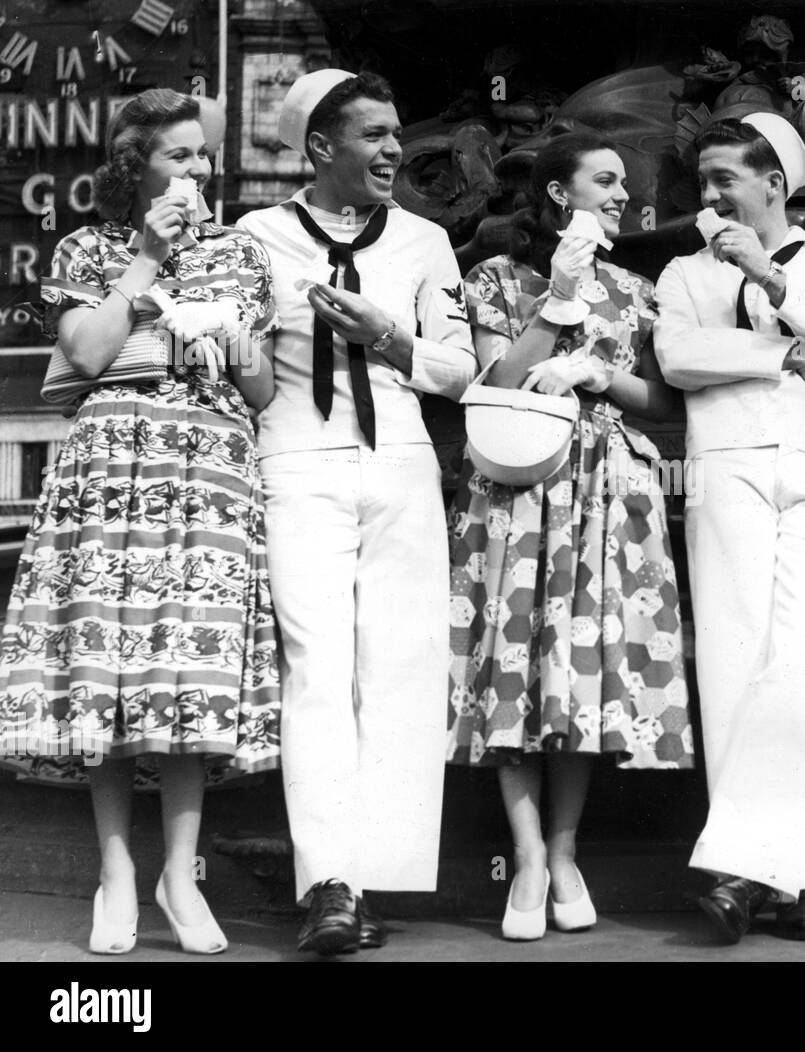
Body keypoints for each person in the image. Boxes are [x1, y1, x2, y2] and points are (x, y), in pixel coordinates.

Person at [0, 88, 280, 954]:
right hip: (113, 464)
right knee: (109, 660)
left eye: (203, 156)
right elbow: (83, 355)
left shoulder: (241, 255)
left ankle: (179, 875)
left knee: (184, 663)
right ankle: (116, 871)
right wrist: (149, 259)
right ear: (137, 168)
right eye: (180, 157)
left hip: (210, 468)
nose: (198, 171)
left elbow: (263, 391)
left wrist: (241, 349)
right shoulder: (91, 247)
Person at [237, 69, 475, 955]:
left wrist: (387, 335)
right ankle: (329, 883)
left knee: (402, 669)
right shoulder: (255, 237)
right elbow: (242, 360)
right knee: (319, 669)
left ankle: (378, 874)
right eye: (373, 134)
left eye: (396, 131)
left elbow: (460, 371)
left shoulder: (422, 241)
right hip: (296, 461)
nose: (393, 150)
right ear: (320, 147)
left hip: (402, 463)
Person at [447, 133, 693, 941]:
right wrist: (554, 309)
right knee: (514, 664)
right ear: (558, 194)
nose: (624, 194)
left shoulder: (634, 287)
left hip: (607, 482)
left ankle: (563, 852)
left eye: (626, 180)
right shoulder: (496, 278)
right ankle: (523, 857)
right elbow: (493, 385)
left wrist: (598, 375)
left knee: (581, 667)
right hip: (519, 479)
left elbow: (658, 398)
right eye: (606, 180)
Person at [654, 112, 805, 943]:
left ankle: (737, 869)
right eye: (703, 182)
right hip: (726, 466)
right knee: (733, 660)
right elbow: (679, 360)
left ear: (774, 185)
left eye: (724, 180)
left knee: (801, 662)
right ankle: (797, 881)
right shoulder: (682, 273)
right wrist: (783, 356)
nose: (709, 196)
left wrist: (775, 281)